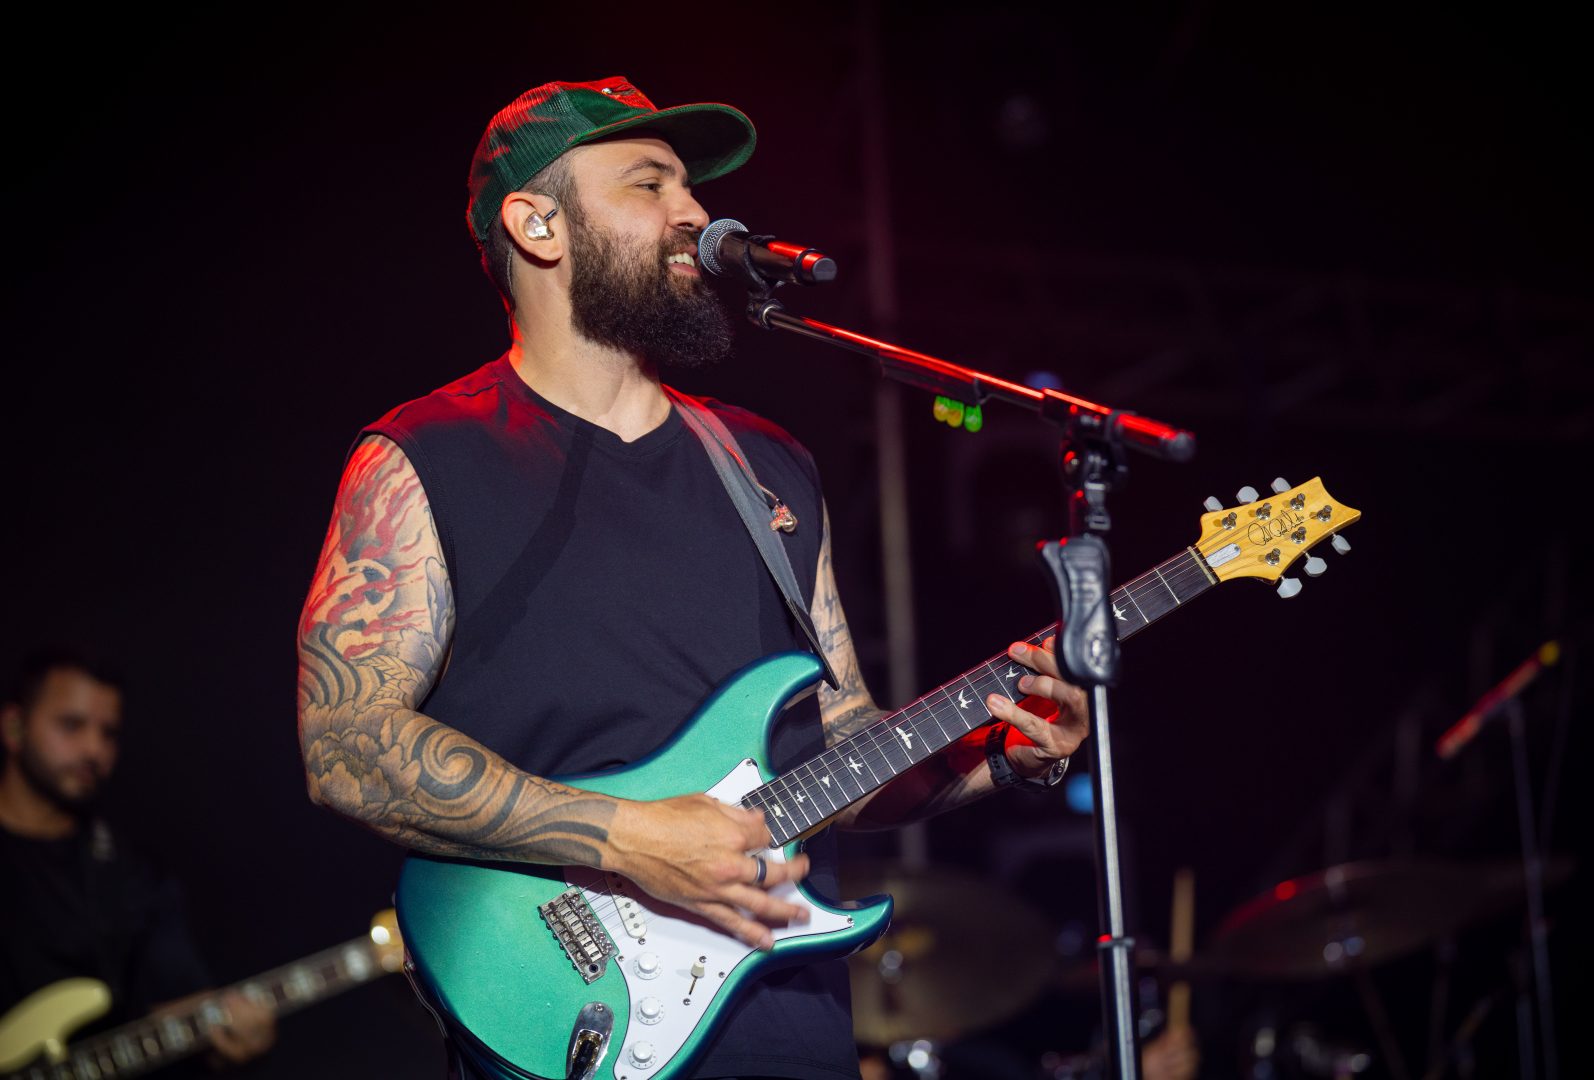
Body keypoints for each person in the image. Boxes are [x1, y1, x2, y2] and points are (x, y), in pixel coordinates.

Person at [295, 76, 1090, 1080]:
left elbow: (837, 742)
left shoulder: (767, 464)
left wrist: (1001, 750)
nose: (696, 212)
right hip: (575, 1017)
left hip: (792, 1031)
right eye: (650, 183)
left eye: (689, 186)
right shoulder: (424, 457)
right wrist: (630, 839)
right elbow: (346, 745)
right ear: (538, 224)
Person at [0, 649, 276, 1072]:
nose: (93, 749)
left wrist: (231, 1033)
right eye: (71, 725)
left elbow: (178, 1005)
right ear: (14, 727)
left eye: (109, 733)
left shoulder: (133, 875)